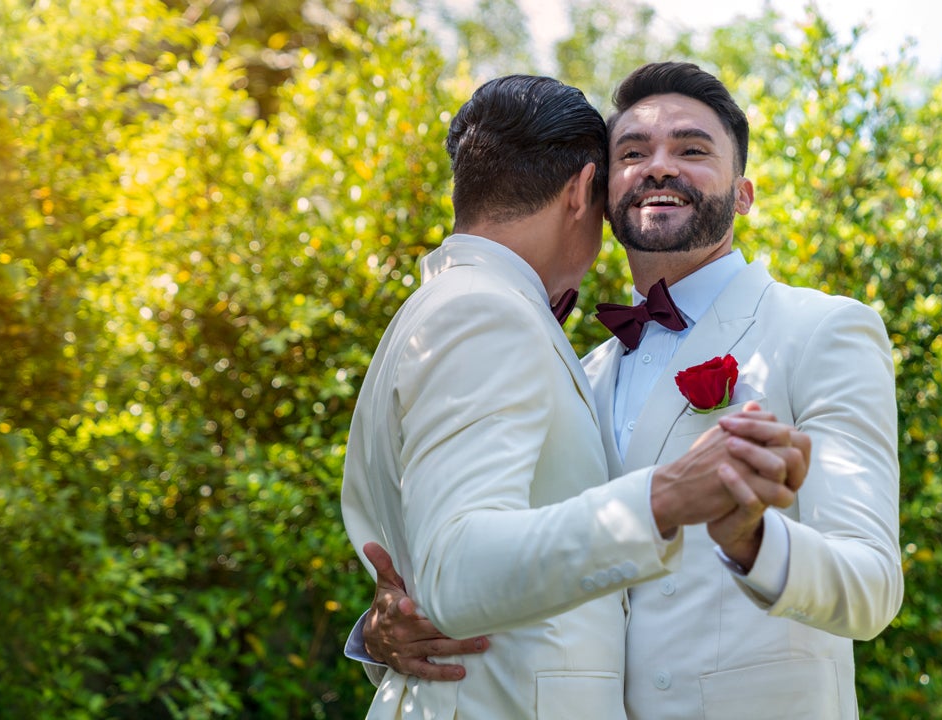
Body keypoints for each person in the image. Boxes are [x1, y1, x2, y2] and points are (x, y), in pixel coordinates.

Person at [341, 73, 812, 720]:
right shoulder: (484, 313)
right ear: (583, 190)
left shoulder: (443, 306)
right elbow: (457, 568)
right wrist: (665, 497)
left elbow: (435, 552)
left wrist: (376, 633)